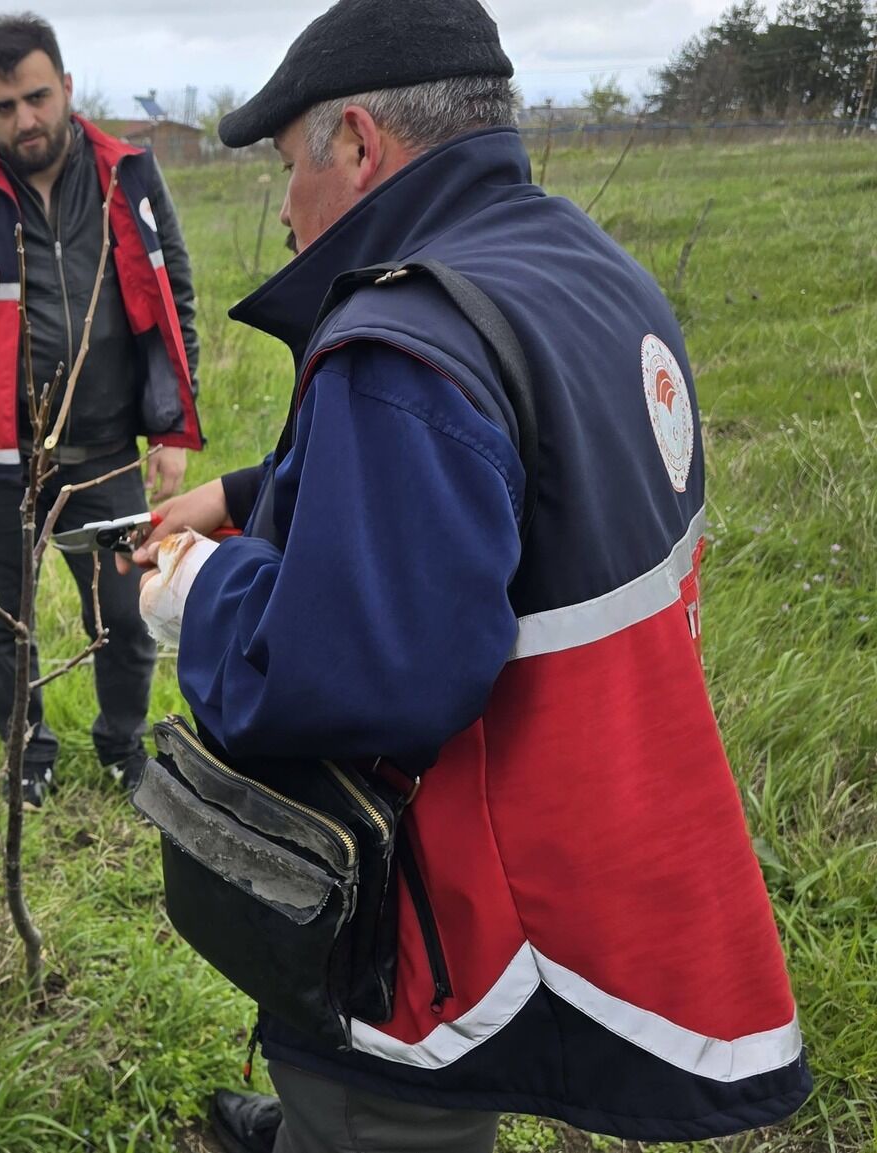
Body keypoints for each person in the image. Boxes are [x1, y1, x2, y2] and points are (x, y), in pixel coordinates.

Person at [128, 1, 811, 1149]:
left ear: (355, 141)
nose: (284, 206)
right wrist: (249, 494)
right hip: (605, 805)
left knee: (384, 1102)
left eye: (287, 166)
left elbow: (349, 673)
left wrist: (190, 584)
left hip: (453, 889)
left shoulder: (400, 341)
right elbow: (502, 482)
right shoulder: (579, 269)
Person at [0, 12, 205, 807]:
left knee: (125, 608)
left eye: (38, 98)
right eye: (4, 107)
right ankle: (28, 751)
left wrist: (173, 424)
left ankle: (122, 743)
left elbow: (172, 297)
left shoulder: (127, 177)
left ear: (67, 87)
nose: (26, 120)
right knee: (7, 620)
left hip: (107, 451)